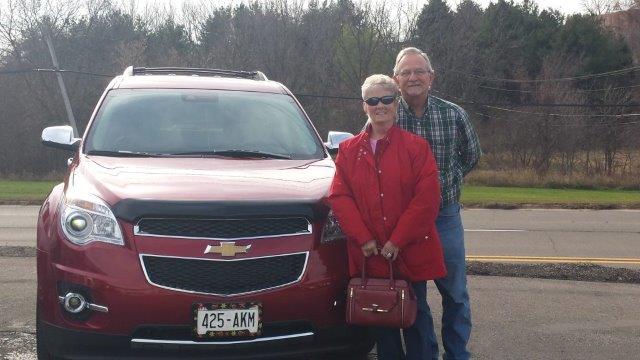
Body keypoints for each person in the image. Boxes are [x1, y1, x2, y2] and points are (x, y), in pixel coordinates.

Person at [328, 74, 446, 360]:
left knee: (416, 317)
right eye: (373, 100)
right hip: (370, 254)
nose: (380, 106)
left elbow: (426, 200)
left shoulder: (417, 147)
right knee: (381, 321)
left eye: (387, 99)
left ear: (396, 103)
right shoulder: (348, 150)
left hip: (409, 250)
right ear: (364, 106)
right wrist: (364, 238)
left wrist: (397, 240)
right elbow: (339, 197)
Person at [392, 47, 482, 360]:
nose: (413, 77)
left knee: (455, 294)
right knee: (414, 298)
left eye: (419, 71)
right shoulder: (386, 116)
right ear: (396, 79)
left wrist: (448, 185)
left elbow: (471, 156)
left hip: (445, 217)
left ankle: (457, 354)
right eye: (406, 72)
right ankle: (423, 354)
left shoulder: (454, 114)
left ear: (432, 77)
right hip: (405, 224)